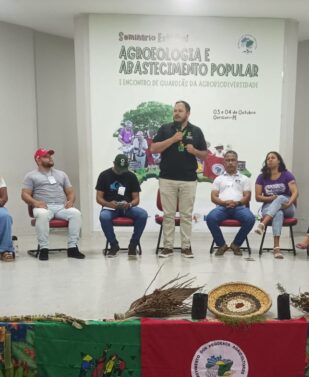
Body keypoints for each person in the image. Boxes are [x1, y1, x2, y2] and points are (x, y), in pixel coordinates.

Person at [150, 100, 208, 258]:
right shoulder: (165, 129)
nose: (176, 113)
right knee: (168, 214)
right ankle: (167, 247)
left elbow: (205, 154)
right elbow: (153, 148)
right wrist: (172, 140)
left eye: (180, 111)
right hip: (167, 178)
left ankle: (186, 247)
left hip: (188, 179)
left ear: (188, 113)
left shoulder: (196, 131)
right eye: (175, 110)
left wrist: (194, 150)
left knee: (186, 215)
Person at [21, 148, 85, 260]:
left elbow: (70, 192)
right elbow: (25, 194)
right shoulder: (31, 176)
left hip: (61, 207)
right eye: (46, 156)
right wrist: (35, 203)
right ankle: (44, 249)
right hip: (44, 207)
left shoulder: (61, 174)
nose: (50, 158)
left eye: (50, 156)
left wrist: (70, 201)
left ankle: (72, 248)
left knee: (76, 214)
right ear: (38, 160)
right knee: (43, 215)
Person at [95, 154, 148, 258]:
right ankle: (114, 245)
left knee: (143, 214)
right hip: (110, 207)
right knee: (104, 217)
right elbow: (98, 198)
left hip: (127, 207)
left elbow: (136, 199)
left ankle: (133, 244)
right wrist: (108, 203)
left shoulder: (131, 176)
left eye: (123, 169)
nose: (121, 171)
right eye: (119, 168)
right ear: (114, 164)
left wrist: (130, 204)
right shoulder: (104, 175)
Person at [206, 150, 255, 257]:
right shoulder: (218, 179)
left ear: (237, 162)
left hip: (239, 207)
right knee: (210, 218)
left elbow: (247, 197)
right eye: (228, 160)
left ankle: (236, 244)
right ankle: (221, 245)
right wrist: (224, 203)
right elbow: (213, 197)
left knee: (250, 218)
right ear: (224, 162)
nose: (230, 162)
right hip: (222, 207)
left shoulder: (244, 178)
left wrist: (237, 203)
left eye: (233, 160)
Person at [253, 151, 298, 259]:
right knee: (278, 214)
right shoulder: (261, 177)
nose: (270, 160)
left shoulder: (287, 175)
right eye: (268, 158)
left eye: (273, 158)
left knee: (281, 197)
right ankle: (276, 248)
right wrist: (270, 198)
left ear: (279, 161)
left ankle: (262, 224)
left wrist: (289, 203)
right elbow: (258, 197)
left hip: (288, 206)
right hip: (269, 206)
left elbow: (295, 192)